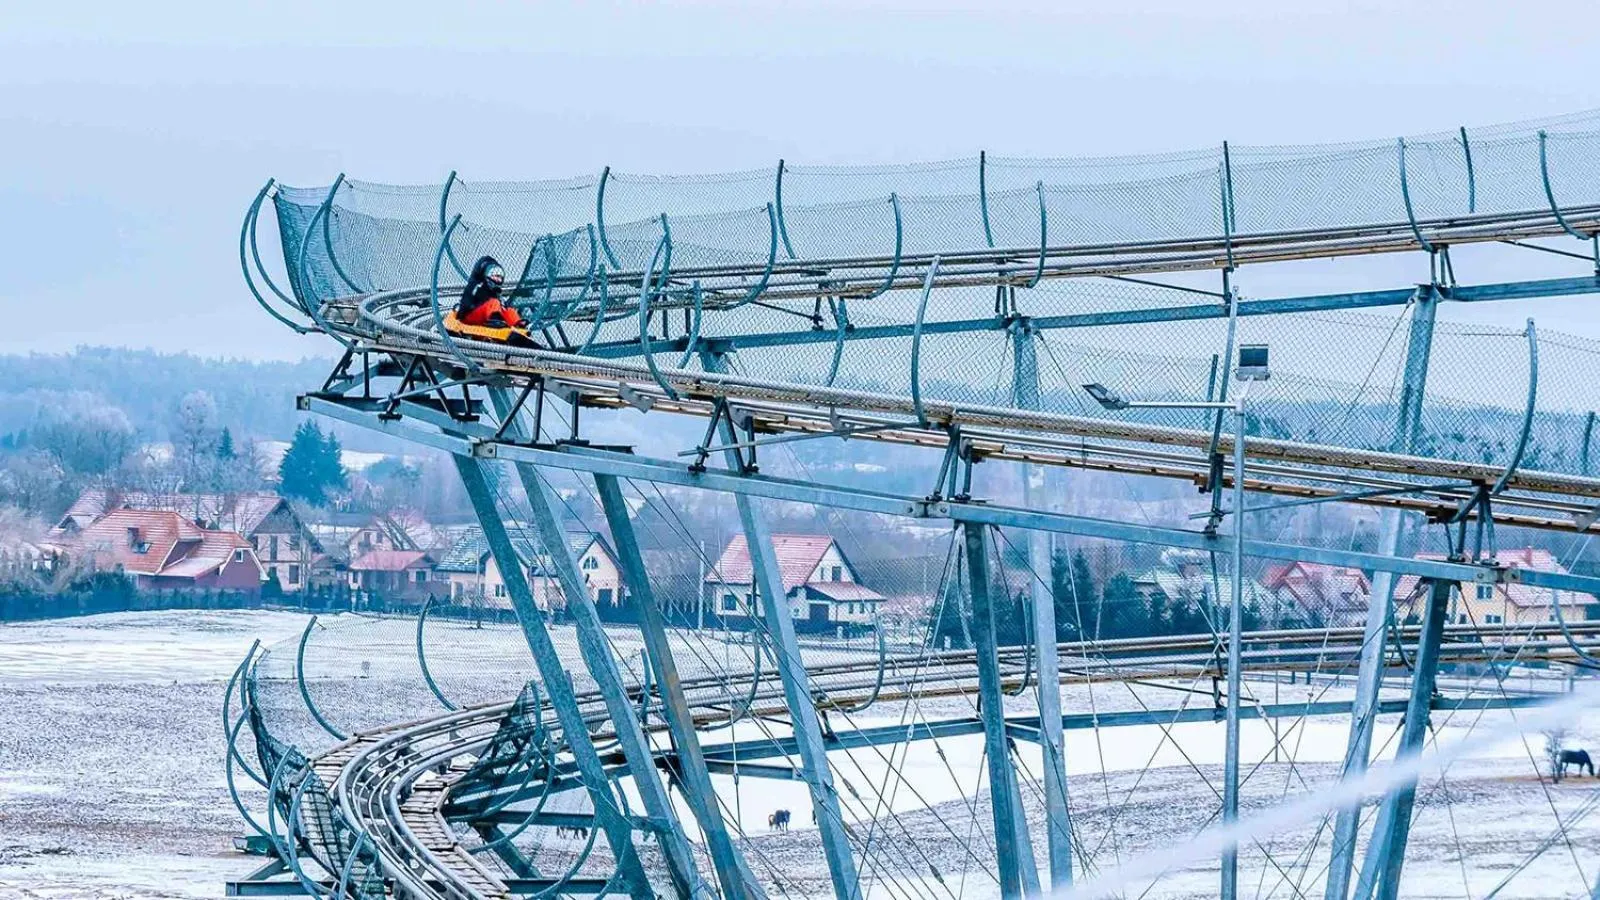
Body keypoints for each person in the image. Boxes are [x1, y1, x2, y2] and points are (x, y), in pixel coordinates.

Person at [456, 256, 525, 329]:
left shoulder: (495, 291)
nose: (498, 279)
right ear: (488, 274)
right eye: (496, 276)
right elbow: (467, 302)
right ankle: (494, 320)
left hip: (484, 316)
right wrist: (471, 306)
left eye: (501, 278)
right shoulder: (477, 285)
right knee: (493, 302)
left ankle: (518, 323)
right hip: (469, 316)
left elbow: (502, 306)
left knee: (507, 309)